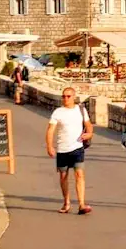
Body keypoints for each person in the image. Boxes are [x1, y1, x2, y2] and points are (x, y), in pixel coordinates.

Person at [45, 87, 93, 215]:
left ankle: (82, 204)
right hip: (62, 149)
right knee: (63, 176)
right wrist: (49, 146)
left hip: (77, 147)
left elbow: (88, 126)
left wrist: (89, 134)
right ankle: (66, 202)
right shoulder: (58, 112)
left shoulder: (81, 110)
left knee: (79, 174)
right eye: (64, 96)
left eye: (68, 96)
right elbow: (50, 130)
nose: (65, 99)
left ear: (74, 97)